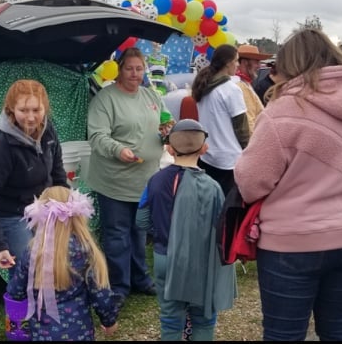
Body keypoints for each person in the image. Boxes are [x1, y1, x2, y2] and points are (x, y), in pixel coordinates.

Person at [234, 28, 342, 341]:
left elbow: (251, 181)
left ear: (291, 65)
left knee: (284, 334)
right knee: (341, 327)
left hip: (295, 238)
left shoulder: (285, 110)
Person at [136, 119, 237, 341]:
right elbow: (222, 230)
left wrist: (162, 231)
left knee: (171, 319)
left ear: (169, 149)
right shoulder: (213, 187)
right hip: (201, 261)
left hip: (166, 256)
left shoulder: (155, 181)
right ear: (204, 148)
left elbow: (142, 220)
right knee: (203, 317)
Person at [86, 47, 167, 298]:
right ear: (120, 69)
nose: (134, 74)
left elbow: (165, 122)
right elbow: (97, 136)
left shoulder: (152, 96)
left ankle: (140, 278)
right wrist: (118, 150)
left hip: (145, 180)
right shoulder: (105, 99)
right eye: (129, 68)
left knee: (139, 231)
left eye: (139, 69)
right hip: (114, 181)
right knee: (117, 235)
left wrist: (168, 132)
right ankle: (119, 286)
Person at [0, 79, 68, 274]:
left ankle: (60, 304)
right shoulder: (0, 145)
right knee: (30, 268)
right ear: (11, 110)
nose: (31, 118)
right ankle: (26, 303)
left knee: (59, 263)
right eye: (24, 110)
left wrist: (66, 209)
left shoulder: (49, 132)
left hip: (43, 209)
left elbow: (58, 176)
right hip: (12, 215)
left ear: (45, 108)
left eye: (37, 110)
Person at [6, 186, 123, 341]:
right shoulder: (85, 249)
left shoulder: (33, 251)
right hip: (79, 333)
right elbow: (101, 294)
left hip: (42, 335)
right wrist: (109, 321)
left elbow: (16, 291)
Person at [190, 44, 249, 196]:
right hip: (228, 160)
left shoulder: (202, 86)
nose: (237, 65)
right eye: (236, 61)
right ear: (228, 62)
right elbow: (241, 128)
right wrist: (249, 151)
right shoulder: (232, 89)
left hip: (207, 156)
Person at [235, 45, 272, 133]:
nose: (259, 66)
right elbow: (249, 122)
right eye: (256, 62)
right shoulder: (241, 85)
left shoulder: (244, 83)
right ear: (244, 62)